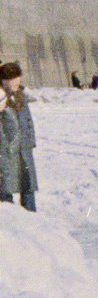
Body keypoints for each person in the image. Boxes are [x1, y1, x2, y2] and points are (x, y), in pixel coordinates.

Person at [0, 62, 38, 211]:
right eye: (13, 79)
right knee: (5, 191)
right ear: (3, 80)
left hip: (23, 150)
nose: (18, 82)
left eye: (18, 78)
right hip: (6, 153)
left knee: (28, 187)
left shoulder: (20, 96)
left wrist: (30, 142)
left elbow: (28, 121)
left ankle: (33, 221)